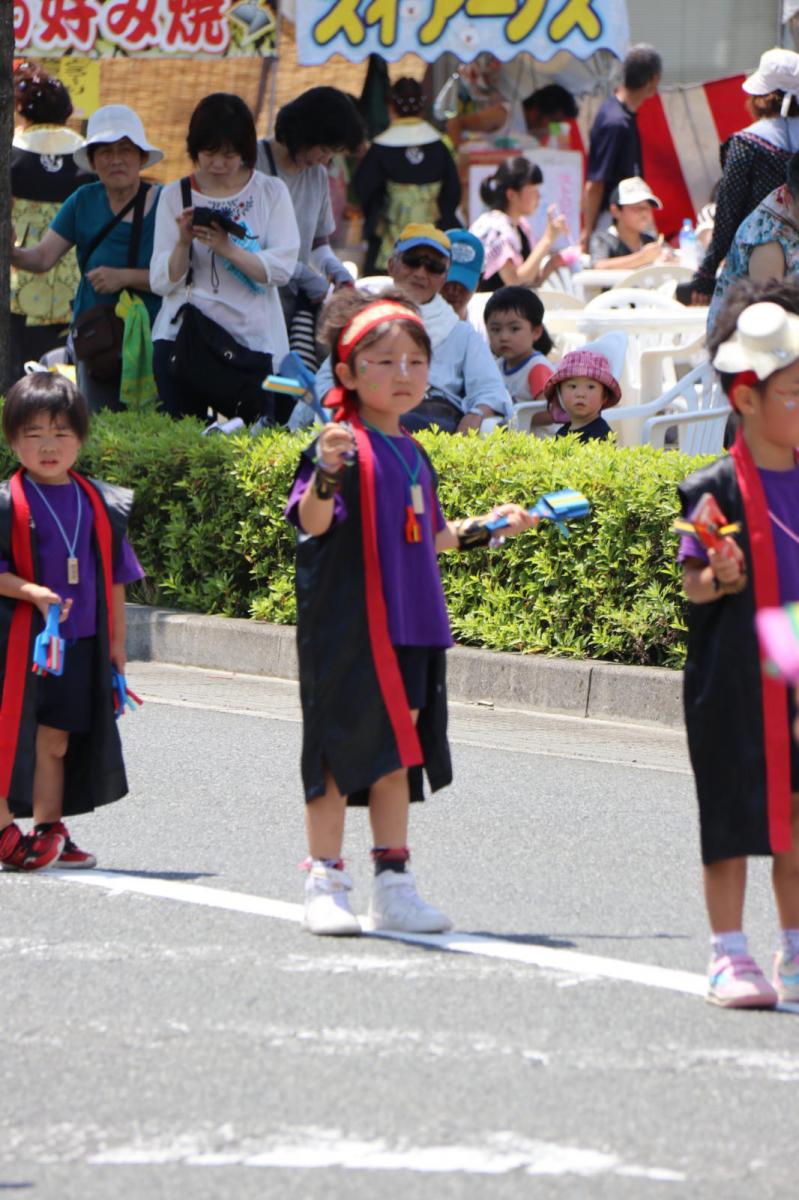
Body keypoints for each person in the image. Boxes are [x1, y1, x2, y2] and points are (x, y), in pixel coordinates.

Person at [285, 288, 536, 935]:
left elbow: (434, 533)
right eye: (384, 361)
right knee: (340, 754)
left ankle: (392, 884)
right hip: (351, 630)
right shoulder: (336, 447)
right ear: (345, 373)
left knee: (398, 754)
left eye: (414, 362)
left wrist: (490, 527)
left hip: (415, 624)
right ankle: (324, 879)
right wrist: (326, 472)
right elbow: (312, 522)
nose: (403, 375)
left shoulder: (414, 451)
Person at [677, 291, 799, 1008]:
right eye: (792, 393)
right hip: (733, 670)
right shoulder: (710, 486)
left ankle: (794, 947)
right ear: (745, 398)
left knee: (797, 816)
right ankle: (728, 953)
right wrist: (717, 577)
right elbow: (692, 584)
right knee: (729, 810)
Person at [0, 372, 143, 873]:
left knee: (55, 739)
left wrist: (117, 649)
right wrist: (32, 591)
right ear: (12, 439)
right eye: (33, 434)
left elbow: (117, 579)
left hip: (79, 643)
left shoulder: (100, 502)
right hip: (17, 644)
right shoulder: (4, 502)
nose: (48, 446)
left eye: (61, 433)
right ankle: (3, 834)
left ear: (81, 438)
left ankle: (48, 827)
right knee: (6, 734)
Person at [150, 93, 300, 421]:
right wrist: (183, 242)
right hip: (185, 342)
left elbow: (282, 268)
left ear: (245, 151)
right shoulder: (175, 195)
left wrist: (226, 246)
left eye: (229, 155)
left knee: (257, 444)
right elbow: (161, 280)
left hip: (253, 344)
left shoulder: (270, 192)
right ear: (194, 149)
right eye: (209, 153)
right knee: (184, 445)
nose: (218, 164)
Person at [11, 104, 162, 413]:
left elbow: (181, 274)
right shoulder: (83, 201)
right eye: (105, 152)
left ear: (142, 157)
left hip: (156, 338)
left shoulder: (166, 202)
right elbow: (41, 259)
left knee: (155, 427)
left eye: (125, 150)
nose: (116, 159)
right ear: (93, 161)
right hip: (97, 342)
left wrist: (125, 277)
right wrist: (9, 250)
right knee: (98, 425)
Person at [309, 224, 513, 434]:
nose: (421, 273)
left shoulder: (461, 333)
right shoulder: (366, 322)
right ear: (391, 265)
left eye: (433, 266)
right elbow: (324, 383)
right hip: (370, 417)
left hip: (436, 419)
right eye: (412, 261)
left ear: (443, 276)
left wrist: (477, 413)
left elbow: (491, 389)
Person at [256, 87, 363, 375]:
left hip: (292, 311)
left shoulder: (316, 175)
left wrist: (332, 268)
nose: (325, 160)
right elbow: (245, 245)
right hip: (254, 307)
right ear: (303, 133)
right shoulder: (254, 164)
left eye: (333, 153)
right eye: (324, 149)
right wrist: (300, 273)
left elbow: (317, 242)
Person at [691, 48, 799, 306]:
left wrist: (706, 273)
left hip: (757, 262)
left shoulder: (747, 144)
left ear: (762, 96)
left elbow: (727, 212)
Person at [10, 63, 94, 380]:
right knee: (66, 378)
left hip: (21, 282)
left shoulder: (11, 152)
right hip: (76, 285)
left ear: (21, 107)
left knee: (21, 379)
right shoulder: (88, 156)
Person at [354, 77, 461, 276]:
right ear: (423, 106)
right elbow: (452, 192)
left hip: (390, 246)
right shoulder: (440, 146)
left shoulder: (379, 149)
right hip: (434, 242)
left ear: (391, 107)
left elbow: (363, 189)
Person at [581, 44, 662, 251]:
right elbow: (595, 183)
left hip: (627, 218)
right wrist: (587, 233)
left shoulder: (619, 114)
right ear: (653, 80)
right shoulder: (615, 122)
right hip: (613, 221)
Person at [707, 153, 799, 334]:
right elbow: (769, 315)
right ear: (788, 196)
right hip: (754, 344)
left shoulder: (789, 207)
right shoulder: (768, 236)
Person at [470, 156, 568, 292]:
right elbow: (514, 281)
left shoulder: (520, 225)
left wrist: (552, 264)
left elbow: (529, 280)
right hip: (490, 309)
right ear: (511, 194)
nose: (539, 197)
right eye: (533, 191)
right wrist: (547, 239)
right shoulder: (495, 227)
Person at [484, 286, 557, 436]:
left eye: (514, 329)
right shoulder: (496, 366)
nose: (504, 337)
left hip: (539, 445)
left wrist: (512, 418)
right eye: (496, 329)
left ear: (536, 332)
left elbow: (551, 413)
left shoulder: (537, 368)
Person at [589, 176, 670, 270]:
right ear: (615, 211)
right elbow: (598, 266)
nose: (644, 214)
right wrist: (642, 258)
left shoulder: (651, 240)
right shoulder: (603, 239)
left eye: (647, 208)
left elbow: (674, 256)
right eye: (637, 208)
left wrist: (668, 258)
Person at [542, 349, 621, 443]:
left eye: (591, 387)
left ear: (604, 397)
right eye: (573, 386)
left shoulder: (601, 434)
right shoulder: (562, 432)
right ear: (560, 394)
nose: (580, 394)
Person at [441, 228, 484, 319]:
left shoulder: (485, 327)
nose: (454, 290)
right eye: (448, 282)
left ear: (477, 285)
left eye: (464, 283)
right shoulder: (411, 325)